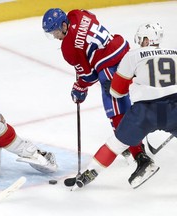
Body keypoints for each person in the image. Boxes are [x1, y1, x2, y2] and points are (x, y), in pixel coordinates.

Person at [42, 8, 153, 185]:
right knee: (134, 96)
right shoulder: (77, 14)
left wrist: (79, 88)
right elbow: (91, 20)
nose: (55, 36)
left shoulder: (68, 48)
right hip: (123, 50)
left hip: (110, 67)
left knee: (115, 112)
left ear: (64, 25)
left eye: (55, 32)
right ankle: (133, 141)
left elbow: (89, 75)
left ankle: (140, 155)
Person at [73, 22, 175, 189]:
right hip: (174, 109)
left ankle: (89, 174)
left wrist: (116, 85)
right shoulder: (175, 53)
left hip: (145, 113)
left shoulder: (133, 55)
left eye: (142, 39)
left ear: (147, 40)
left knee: (115, 144)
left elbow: (118, 92)